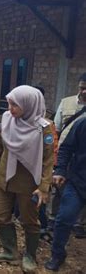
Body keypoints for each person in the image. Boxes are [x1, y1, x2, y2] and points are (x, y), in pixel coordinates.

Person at [0, 85, 54, 272]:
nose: (10, 109)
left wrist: (44, 187)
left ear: (29, 105)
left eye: (15, 105)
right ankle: (10, 251)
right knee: (0, 215)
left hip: (29, 183)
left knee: (30, 220)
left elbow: (48, 160)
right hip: (5, 177)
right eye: (9, 104)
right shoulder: (7, 120)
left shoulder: (43, 128)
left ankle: (30, 255)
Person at [45, 117, 86, 271]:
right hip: (78, 181)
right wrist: (60, 170)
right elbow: (66, 148)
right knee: (64, 218)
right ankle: (57, 254)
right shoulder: (82, 123)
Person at [50, 74, 86, 237]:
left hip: (81, 158)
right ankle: (54, 217)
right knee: (58, 186)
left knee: (80, 189)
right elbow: (56, 128)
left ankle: (78, 223)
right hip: (64, 152)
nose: (83, 91)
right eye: (81, 87)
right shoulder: (66, 102)